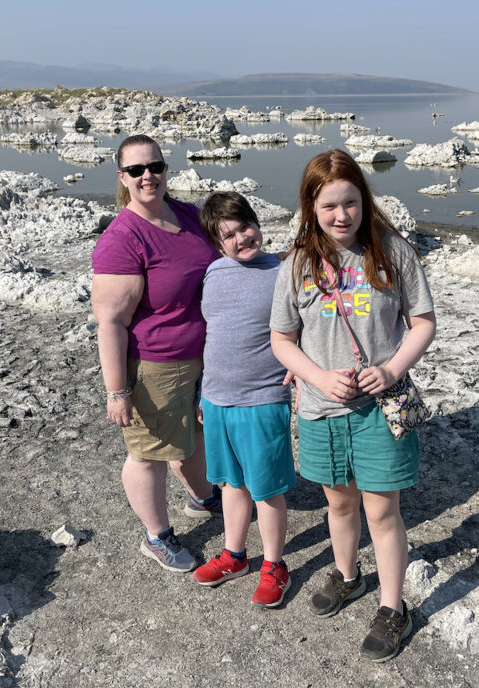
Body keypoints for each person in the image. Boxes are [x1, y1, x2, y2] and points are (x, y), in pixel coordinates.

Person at [269, 149, 436, 662]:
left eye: (351, 203)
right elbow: (281, 338)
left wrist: (390, 369)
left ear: (365, 199)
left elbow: (423, 323)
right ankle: (348, 577)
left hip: (379, 408)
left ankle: (393, 607)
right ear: (310, 208)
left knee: (382, 512)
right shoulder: (297, 263)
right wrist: (316, 376)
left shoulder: (393, 252)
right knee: (337, 503)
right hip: (320, 409)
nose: (342, 215)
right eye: (329, 207)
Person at [91, 134, 222, 574]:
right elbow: (110, 321)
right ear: (122, 178)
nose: (148, 176)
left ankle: (203, 498)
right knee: (148, 453)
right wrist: (116, 391)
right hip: (155, 364)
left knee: (194, 436)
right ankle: (157, 536)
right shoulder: (122, 238)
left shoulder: (186, 214)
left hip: (204, 355)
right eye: (136, 170)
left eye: (156, 167)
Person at [192, 192, 297, 607]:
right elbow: (212, 336)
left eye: (245, 226)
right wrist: (203, 391)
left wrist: (301, 365)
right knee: (231, 483)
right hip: (217, 398)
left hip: (263, 398)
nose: (241, 238)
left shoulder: (284, 271)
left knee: (266, 489)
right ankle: (235, 554)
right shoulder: (214, 273)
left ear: (258, 221)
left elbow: (305, 321)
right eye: (229, 235)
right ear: (218, 245)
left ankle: (275, 565)